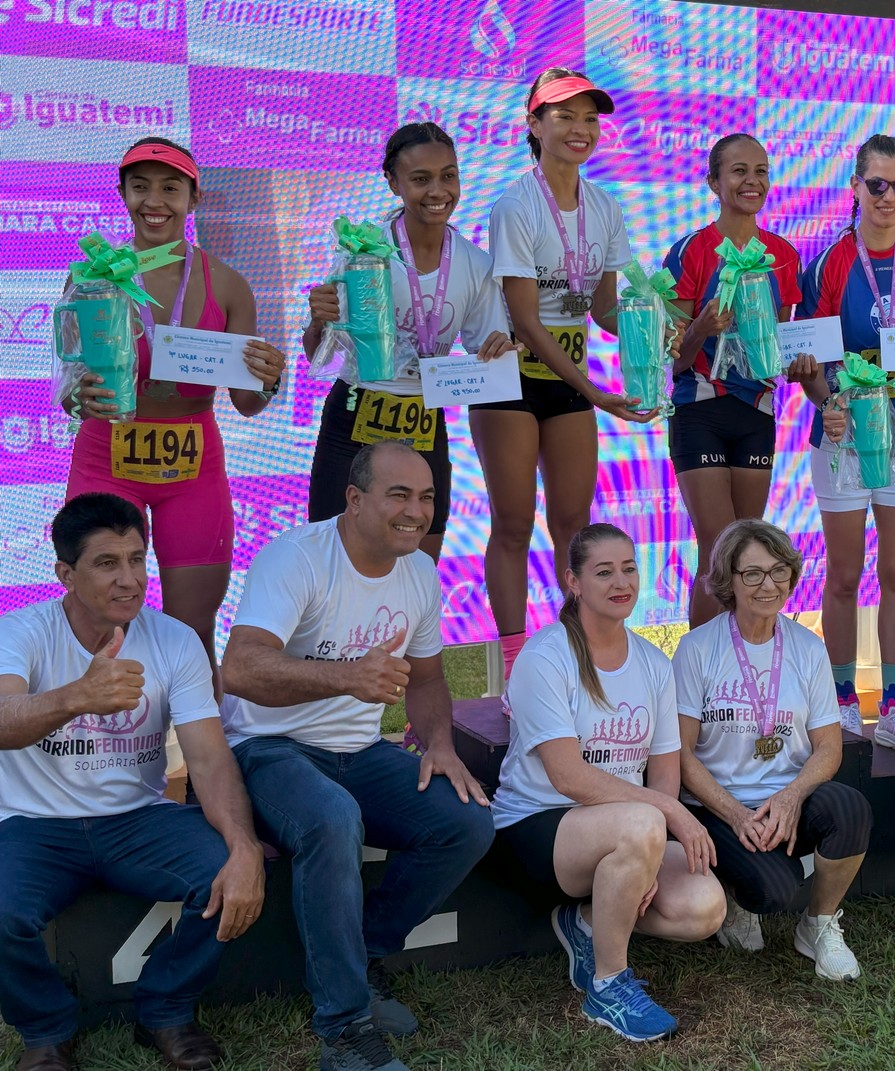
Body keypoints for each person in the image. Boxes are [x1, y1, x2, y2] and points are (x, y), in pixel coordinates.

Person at [220, 443, 494, 1071]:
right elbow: (240, 669)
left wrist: (443, 747)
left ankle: (359, 959)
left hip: (359, 750)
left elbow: (425, 680)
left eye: (426, 497)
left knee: (468, 821)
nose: (416, 511)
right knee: (332, 817)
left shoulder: (420, 571)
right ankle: (344, 1029)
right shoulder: (296, 557)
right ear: (354, 498)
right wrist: (346, 677)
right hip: (268, 748)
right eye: (399, 494)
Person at [0, 493, 264, 1071]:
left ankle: (166, 1010)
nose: (129, 580)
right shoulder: (21, 631)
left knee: (230, 871)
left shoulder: (174, 639)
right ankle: (45, 1031)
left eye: (138, 559)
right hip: (33, 823)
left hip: (136, 819)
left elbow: (211, 761)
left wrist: (243, 846)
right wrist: (78, 696)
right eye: (106, 563)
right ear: (65, 574)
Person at [491, 523, 725, 1043]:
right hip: (537, 827)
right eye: (603, 572)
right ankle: (608, 986)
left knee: (704, 909)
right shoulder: (545, 657)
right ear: (573, 582)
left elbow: (664, 771)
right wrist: (671, 818)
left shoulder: (652, 663)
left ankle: (588, 923)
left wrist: (647, 857)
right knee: (643, 821)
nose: (621, 582)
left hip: (624, 828)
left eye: (629, 568)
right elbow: (568, 777)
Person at [67, 137, 287, 674]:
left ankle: (202, 758)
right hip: (106, 456)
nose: (154, 201)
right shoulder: (91, 278)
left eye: (170, 188)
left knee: (193, 631)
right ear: (123, 195)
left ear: (195, 198)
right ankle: (100, 754)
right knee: (101, 624)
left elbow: (247, 402)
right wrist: (77, 396)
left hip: (193, 468)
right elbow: (69, 382)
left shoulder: (229, 285)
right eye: (140, 187)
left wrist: (269, 380)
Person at [470, 68, 654, 685]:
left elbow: (602, 310)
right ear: (533, 126)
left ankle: (578, 653)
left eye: (589, 118)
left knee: (573, 524)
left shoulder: (604, 206)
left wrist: (651, 332)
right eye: (564, 116)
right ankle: (515, 665)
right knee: (514, 524)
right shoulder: (516, 205)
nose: (580, 130)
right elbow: (524, 317)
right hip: (510, 381)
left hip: (568, 379)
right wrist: (594, 390)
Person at [796, 134, 895, 755]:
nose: (890, 198)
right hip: (842, 431)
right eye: (878, 185)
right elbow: (809, 357)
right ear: (856, 188)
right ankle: (839, 702)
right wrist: (824, 401)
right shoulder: (829, 261)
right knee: (842, 575)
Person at [304, 121, 513, 563]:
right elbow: (318, 354)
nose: (438, 191)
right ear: (393, 182)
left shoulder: (475, 263)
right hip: (355, 411)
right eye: (420, 179)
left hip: (424, 420)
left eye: (448, 175)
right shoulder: (366, 252)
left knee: (419, 562)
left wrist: (499, 351)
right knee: (330, 560)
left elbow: (487, 354)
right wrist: (318, 324)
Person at [674, 519, 871, 981]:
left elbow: (828, 747)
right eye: (753, 573)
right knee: (771, 892)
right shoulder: (697, 649)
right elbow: (681, 755)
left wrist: (791, 796)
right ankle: (738, 902)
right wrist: (737, 815)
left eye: (779, 571)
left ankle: (819, 925)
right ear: (729, 578)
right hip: (718, 807)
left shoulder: (806, 647)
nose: (769, 585)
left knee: (850, 808)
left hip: (786, 802)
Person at [663, 134, 817, 627]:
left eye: (761, 171)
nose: (752, 181)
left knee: (748, 547)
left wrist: (799, 365)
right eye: (738, 171)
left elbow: (782, 347)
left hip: (757, 414)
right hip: (699, 410)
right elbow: (674, 362)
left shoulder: (783, 254)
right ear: (714, 182)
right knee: (718, 545)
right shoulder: (691, 251)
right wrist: (703, 328)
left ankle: (741, 662)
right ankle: (699, 672)